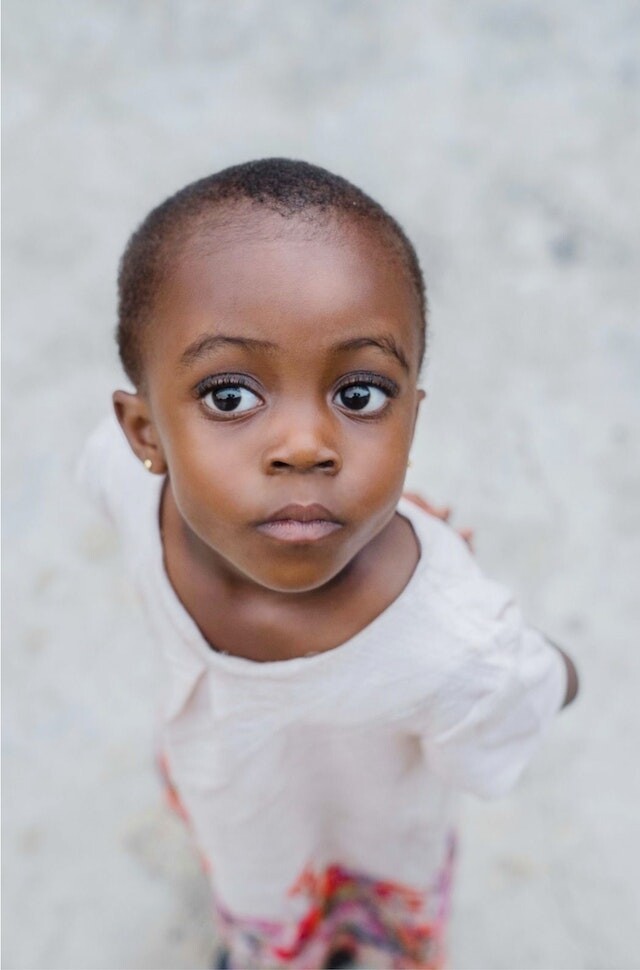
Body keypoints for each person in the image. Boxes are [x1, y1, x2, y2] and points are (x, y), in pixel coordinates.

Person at [75, 158, 578, 970]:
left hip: (373, 852)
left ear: (412, 419)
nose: (306, 446)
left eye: (359, 394)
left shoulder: (455, 641)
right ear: (145, 434)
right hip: (242, 825)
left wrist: (496, 636)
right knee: (260, 899)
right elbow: (534, 686)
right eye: (230, 395)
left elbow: (513, 689)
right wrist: (544, 660)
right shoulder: (465, 646)